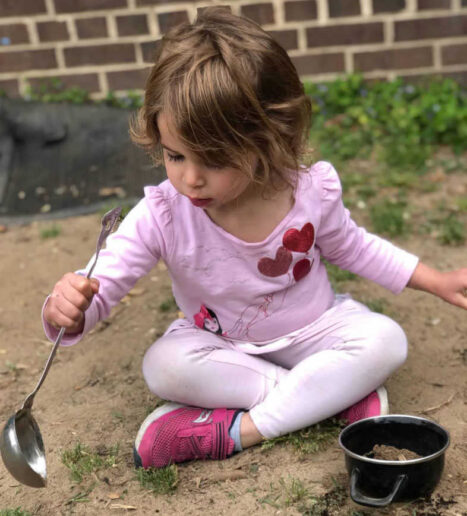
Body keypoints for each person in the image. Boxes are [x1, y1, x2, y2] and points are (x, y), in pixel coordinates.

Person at [42, 8, 467, 470]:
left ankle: (236, 432)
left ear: (268, 138)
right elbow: (105, 278)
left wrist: (435, 280)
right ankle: (327, 397)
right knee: (163, 366)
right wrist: (69, 308)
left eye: (214, 160)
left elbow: (355, 246)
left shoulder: (307, 191)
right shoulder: (164, 213)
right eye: (175, 155)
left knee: (385, 340)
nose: (190, 178)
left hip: (317, 332)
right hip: (222, 349)